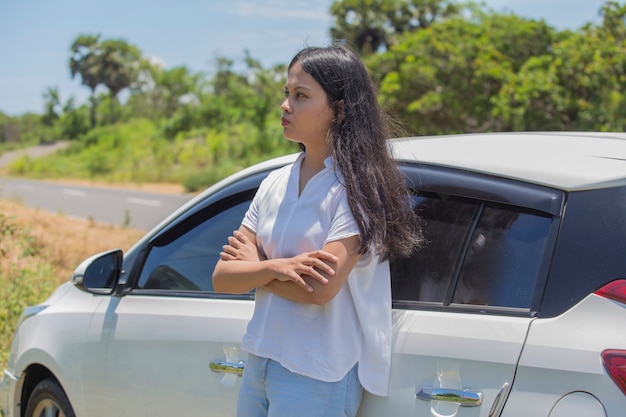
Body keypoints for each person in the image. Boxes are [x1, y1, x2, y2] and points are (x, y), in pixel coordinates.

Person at [212, 44, 421, 417]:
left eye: (301, 96)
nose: (285, 106)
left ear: (339, 110)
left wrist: (256, 268)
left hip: (317, 374)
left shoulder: (356, 188)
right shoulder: (274, 182)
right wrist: (278, 269)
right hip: (260, 358)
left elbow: (321, 288)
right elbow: (223, 278)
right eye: (286, 94)